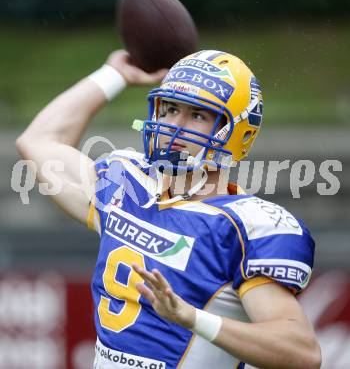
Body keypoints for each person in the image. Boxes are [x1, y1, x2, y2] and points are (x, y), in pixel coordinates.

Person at [16, 49, 321, 369]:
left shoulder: (244, 226)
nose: (175, 125)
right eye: (171, 108)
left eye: (198, 115)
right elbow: (39, 140)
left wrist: (191, 318)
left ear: (236, 133)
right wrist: (114, 75)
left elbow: (302, 353)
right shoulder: (126, 186)